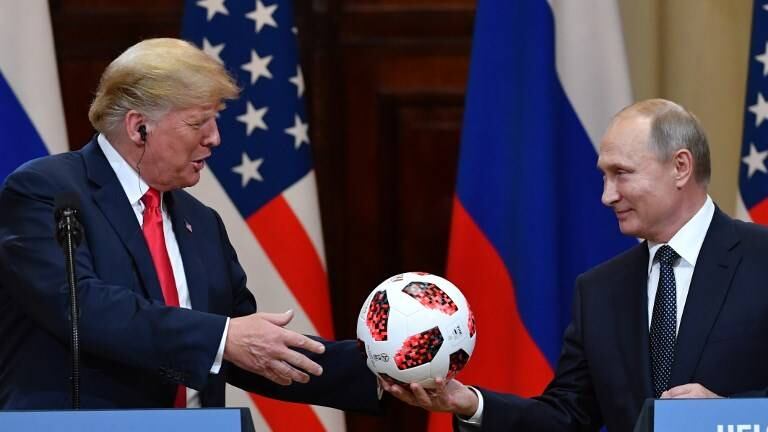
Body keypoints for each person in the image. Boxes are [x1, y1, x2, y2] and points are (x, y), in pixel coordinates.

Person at [0, 38, 379, 412]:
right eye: (198, 122)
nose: (215, 138)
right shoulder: (46, 191)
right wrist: (223, 338)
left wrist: (384, 372)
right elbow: (82, 306)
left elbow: (250, 348)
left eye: (214, 120)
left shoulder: (202, 222)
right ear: (138, 127)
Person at [382, 98, 768, 431]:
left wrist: (728, 414)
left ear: (680, 166)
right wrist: (470, 404)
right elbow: (566, 417)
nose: (607, 196)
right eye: (604, 176)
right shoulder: (600, 290)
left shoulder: (760, 259)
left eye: (621, 174)